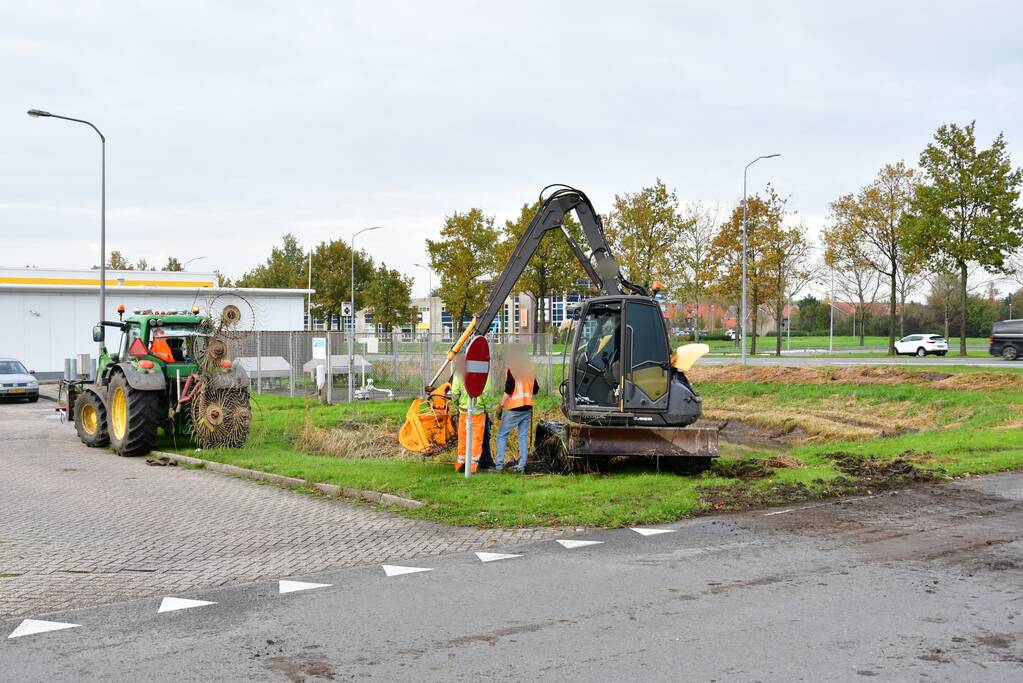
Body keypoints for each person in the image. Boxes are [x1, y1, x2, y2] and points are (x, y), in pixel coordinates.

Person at [496, 346, 540, 473]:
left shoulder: (512, 369)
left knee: (502, 434)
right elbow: (536, 389)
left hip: (516, 408)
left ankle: (499, 466)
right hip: (527, 407)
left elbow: (509, 389)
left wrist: (501, 405)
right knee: (522, 436)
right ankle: (521, 466)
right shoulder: (530, 369)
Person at [450, 352, 493, 474]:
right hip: (478, 412)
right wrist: (488, 409)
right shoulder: (483, 375)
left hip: (463, 411)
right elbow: (487, 394)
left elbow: (455, 394)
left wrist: (457, 404)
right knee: (476, 439)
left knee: (463, 438)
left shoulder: (458, 374)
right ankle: (473, 466)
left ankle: (460, 464)